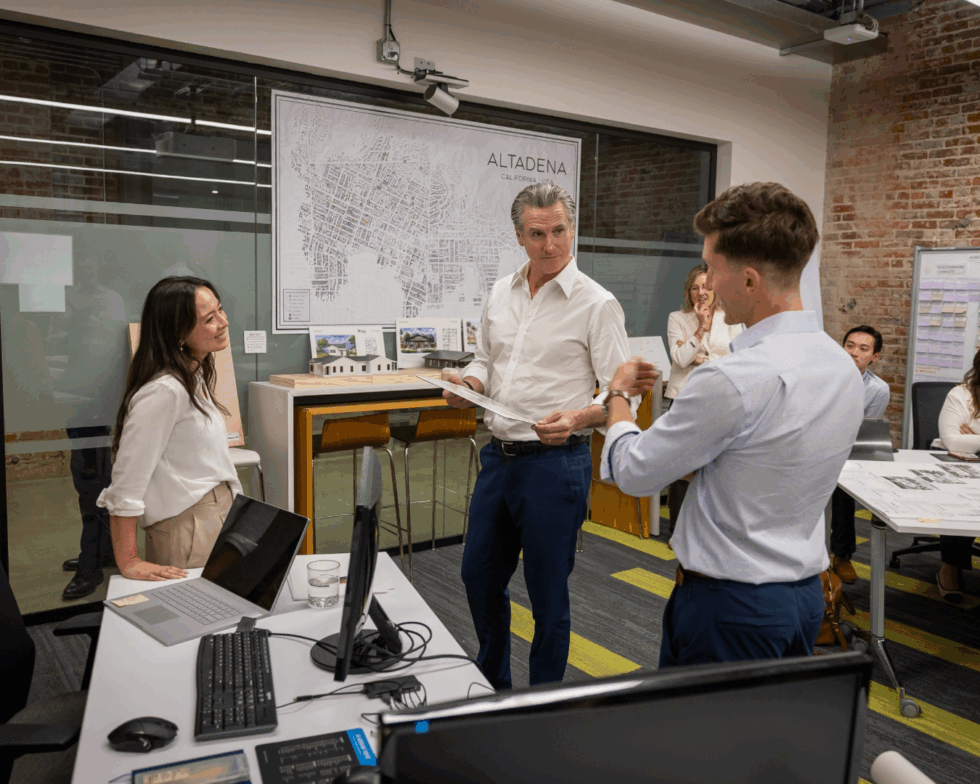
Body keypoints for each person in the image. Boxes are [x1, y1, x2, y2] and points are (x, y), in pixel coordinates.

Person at [602, 182, 864, 667]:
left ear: (748, 281)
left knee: (700, 720)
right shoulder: (841, 366)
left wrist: (618, 396)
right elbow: (767, 458)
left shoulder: (732, 379)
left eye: (712, 268)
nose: (708, 286)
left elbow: (634, 472)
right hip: (806, 600)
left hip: (730, 609)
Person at [443, 181, 656, 689]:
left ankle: (543, 702)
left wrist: (580, 418)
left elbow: (623, 396)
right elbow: (485, 360)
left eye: (559, 231)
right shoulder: (501, 292)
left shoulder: (597, 304)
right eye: (537, 234)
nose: (550, 245)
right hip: (498, 459)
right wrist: (470, 386)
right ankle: (494, 686)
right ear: (520, 236)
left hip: (555, 465)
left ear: (572, 228)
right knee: (478, 577)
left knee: (547, 596)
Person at [96, 277, 242, 581]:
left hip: (213, 515)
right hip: (189, 527)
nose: (223, 322)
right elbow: (126, 482)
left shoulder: (193, 375)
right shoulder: (164, 391)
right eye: (209, 319)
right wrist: (128, 560)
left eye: (220, 310)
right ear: (178, 334)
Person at [663, 264, 743, 534]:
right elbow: (680, 358)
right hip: (684, 399)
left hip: (718, 399)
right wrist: (701, 328)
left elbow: (738, 360)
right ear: (689, 292)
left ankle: (711, 529)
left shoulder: (731, 319)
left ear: (715, 289)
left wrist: (701, 360)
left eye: (706, 287)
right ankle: (677, 530)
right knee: (682, 465)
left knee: (717, 465)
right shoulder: (677, 318)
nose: (701, 292)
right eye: (695, 288)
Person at [829, 325, 890, 584]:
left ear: (874, 356)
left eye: (863, 349)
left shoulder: (878, 389)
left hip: (847, 450)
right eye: (849, 346)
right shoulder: (823, 376)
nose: (854, 352)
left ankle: (842, 555)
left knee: (845, 486)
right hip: (811, 446)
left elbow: (862, 432)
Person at [930, 347, 980, 602]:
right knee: (964, 498)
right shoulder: (961, 394)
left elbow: (966, 440)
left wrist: (974, 436)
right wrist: (970, 441)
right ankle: (948, 566)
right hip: (956, 463)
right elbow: (953, 441)